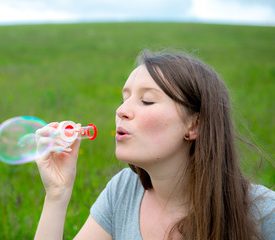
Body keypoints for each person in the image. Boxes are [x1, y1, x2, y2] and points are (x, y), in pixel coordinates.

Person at [34, 50, 275, 240]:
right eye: (124, 98)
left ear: (195, 125)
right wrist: (57, 195)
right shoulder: (122, 192)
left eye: (146, 101)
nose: (120, 110)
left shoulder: (265, 214)